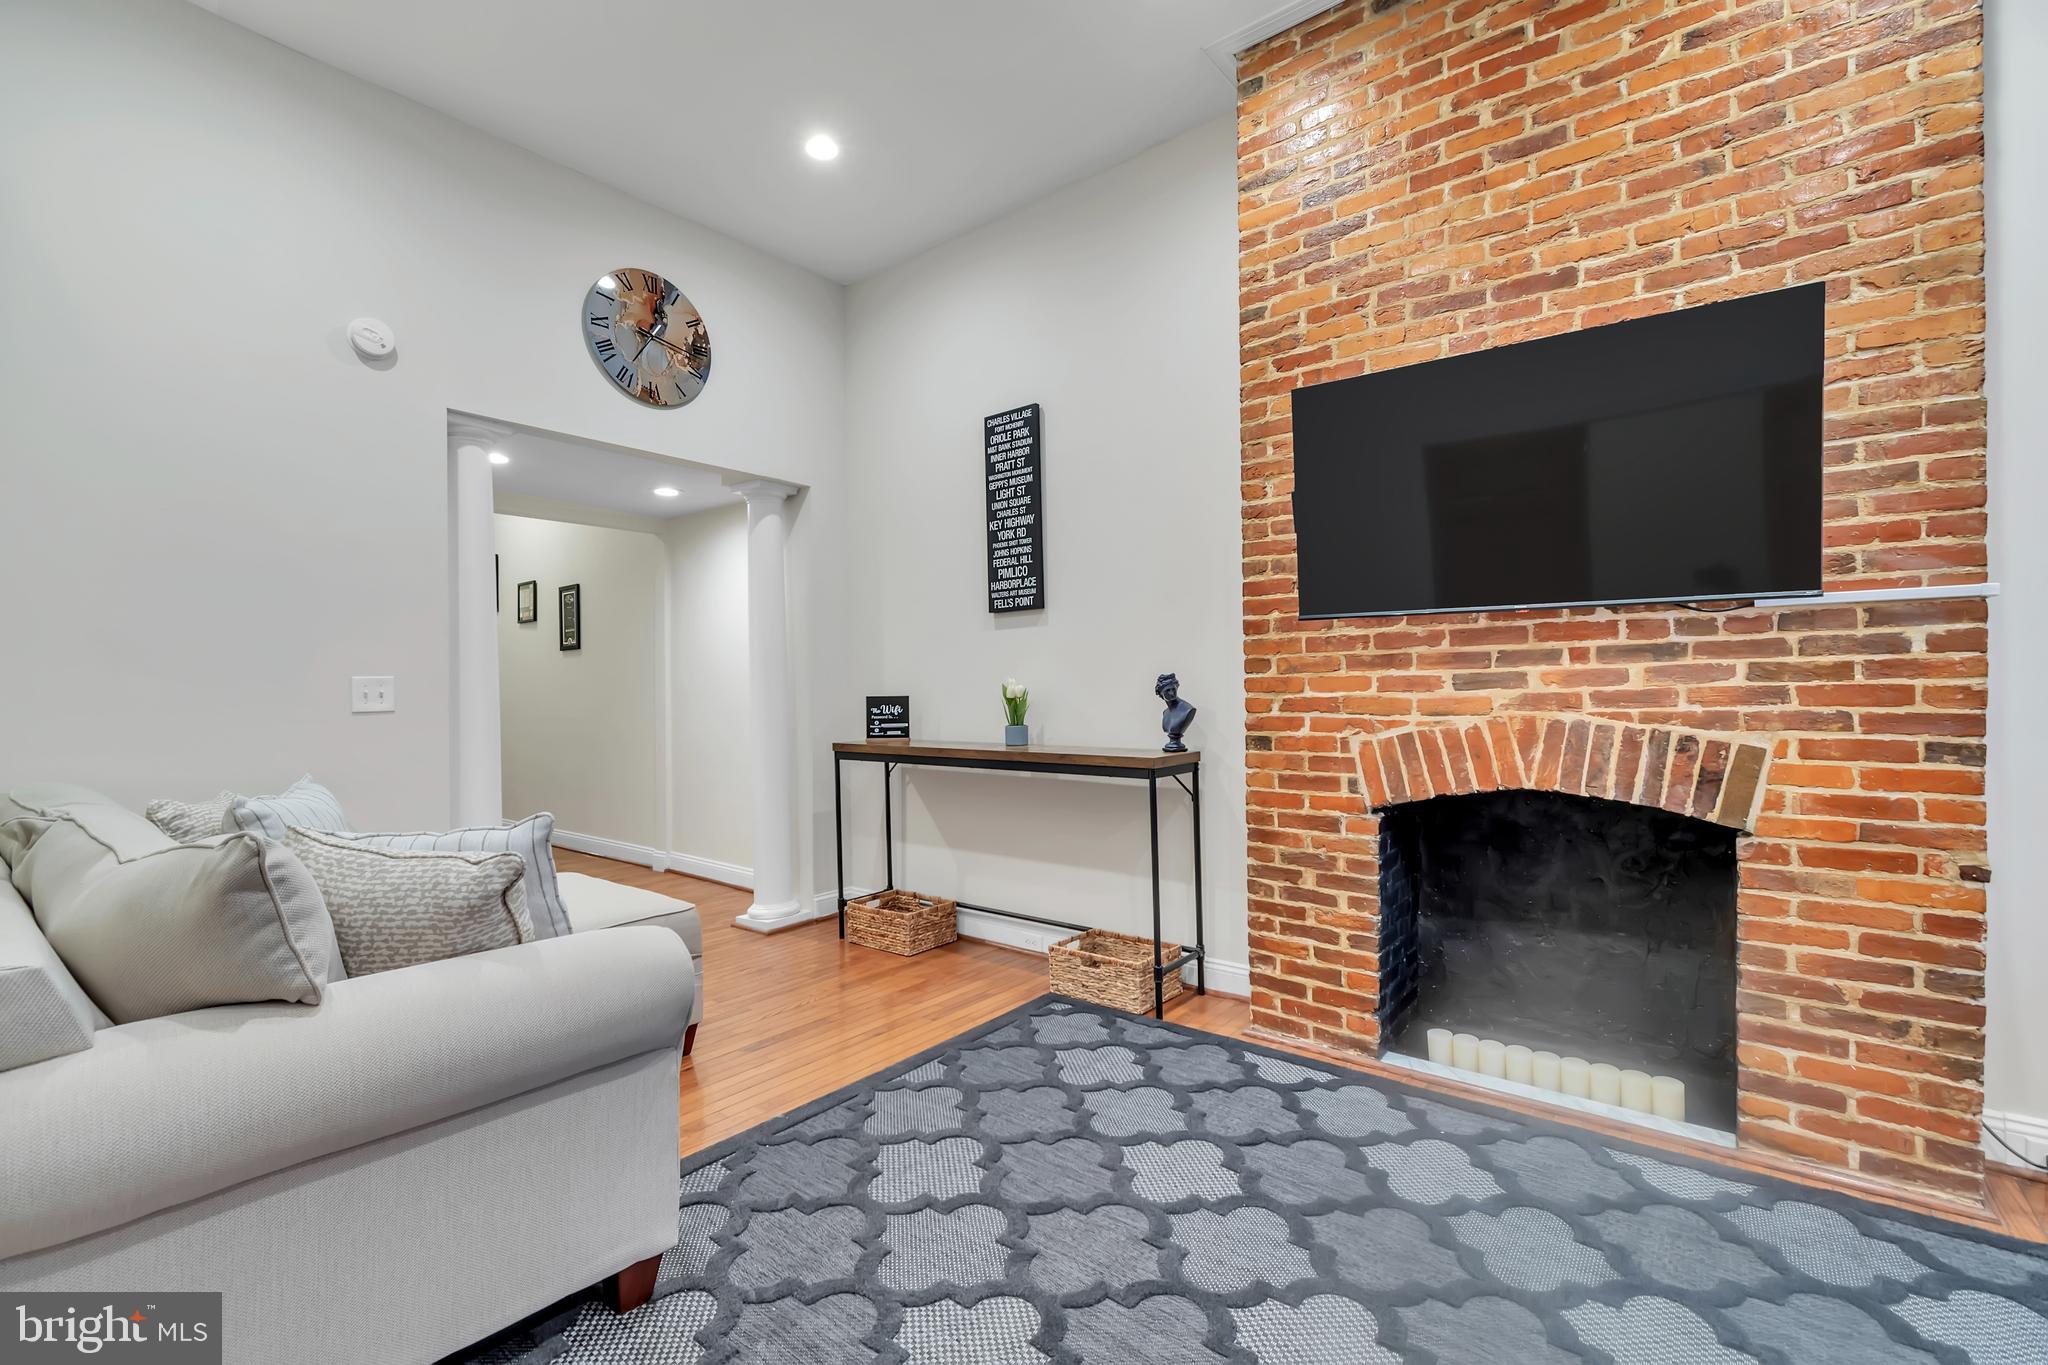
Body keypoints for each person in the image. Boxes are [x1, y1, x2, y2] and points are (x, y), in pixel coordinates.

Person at [1155, 673, 1196, 753]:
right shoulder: (1165, 713)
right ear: (1160, 693)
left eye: (1173, 689)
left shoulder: (1188, 710)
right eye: (1167, 690)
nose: (1172, 693)